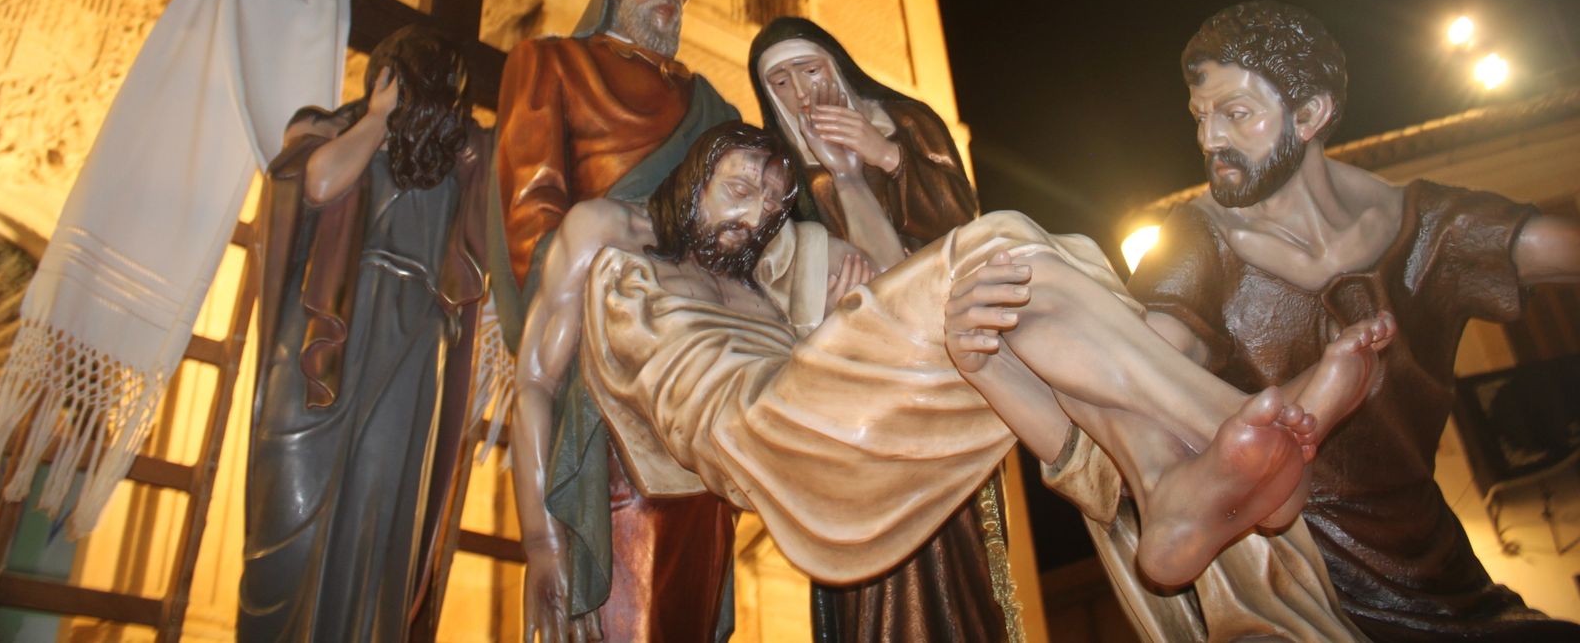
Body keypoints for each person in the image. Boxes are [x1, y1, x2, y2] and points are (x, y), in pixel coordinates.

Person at [552, 122, 1395, 616]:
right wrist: (544, 537)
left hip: (824, 400)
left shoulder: (764, 276)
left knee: (1040, 270)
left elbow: (812, 313)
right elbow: (562, 380)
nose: (755, 216)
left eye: (771, 204)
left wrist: (832, 279)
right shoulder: (629, 258)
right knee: (999, 247)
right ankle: (1228, 415)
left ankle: (1163, 476)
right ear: (692, 178)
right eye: (736, 190)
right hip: (774, 432)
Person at [1124, 0, 1580, 641]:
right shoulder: (1199, 241)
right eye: (1201, 117)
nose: (1209, 140)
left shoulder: (1431, 229)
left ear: (1310, 115)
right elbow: (1133, 378)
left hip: (1446, 582)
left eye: (1236, 114)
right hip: (1293, 589)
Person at [497, 0, 738, 642]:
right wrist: (596, 289)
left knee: (689, 599)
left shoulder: (714, 108)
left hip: (703, 377)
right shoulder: (552, 63)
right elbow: (531, 213)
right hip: (607, 359)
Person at [749, 18, 1008, 643]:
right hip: (851, 375)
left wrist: (880, 154)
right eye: (778, 81)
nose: (799, 90)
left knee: (956, 531)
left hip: (941, 355)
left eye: (808, 69)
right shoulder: (777, 168)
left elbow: (962, 223)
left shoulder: (906, 120)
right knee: (868, 534)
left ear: (835, 62)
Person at [240, 26, 491, 642]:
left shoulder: (463, 158)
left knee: (378, 521)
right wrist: (379, 117)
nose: (429, 97)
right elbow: (320, 184)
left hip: (412, 343)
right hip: (321, 338)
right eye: (411, 79)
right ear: (380, 77)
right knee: (286, 517)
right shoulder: (326, 128)